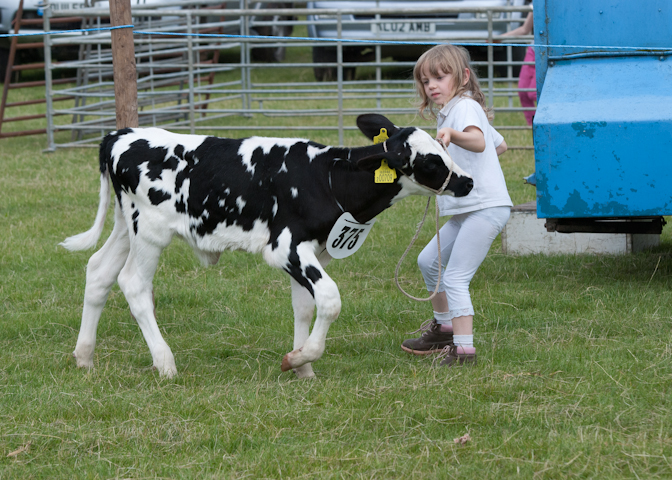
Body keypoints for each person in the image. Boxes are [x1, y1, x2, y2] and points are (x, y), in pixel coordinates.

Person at [401, 44, 513, 367]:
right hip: (466, 209)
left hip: (484, 207)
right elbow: (499, 145)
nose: (432, 85)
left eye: (440, 76)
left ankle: (464, 351)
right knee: (428, 262)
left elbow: (479, 141)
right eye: (425, 80)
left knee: (455, 277)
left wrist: (453, 134)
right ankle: (445, 328)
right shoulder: (455, 110)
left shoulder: (462, 109)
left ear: (463, 76)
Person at [501, 11, 536, 125]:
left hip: (548, 51)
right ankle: (533, 126)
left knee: (533, 93)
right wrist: (499, 38)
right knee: (523, 90)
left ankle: (546, 121)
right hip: (533, 50)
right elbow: (525, 29)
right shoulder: (535, 4)